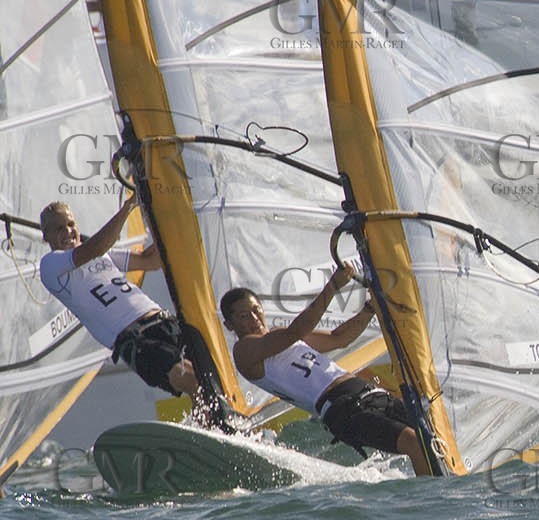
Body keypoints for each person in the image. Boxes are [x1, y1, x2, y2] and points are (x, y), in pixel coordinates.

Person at [221, 263, 429, 475]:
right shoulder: (244, 351)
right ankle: (431, 501)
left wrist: (370, 308)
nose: (254, 319)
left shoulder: (281, 335)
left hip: (368, 393)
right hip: (342, 410)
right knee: (413, 441)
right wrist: (332, 287)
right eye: (244, 316)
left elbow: (340, 339)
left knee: (431, 435)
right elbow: (297, 331)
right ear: (229, 325)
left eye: (256, 310)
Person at [38, 198, 225, 423]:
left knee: (213, 377)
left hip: (163, 321)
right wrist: (128, 207)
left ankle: (224, 427)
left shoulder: (103, 256)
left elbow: (152, 260)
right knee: (192, 380)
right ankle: (211, 434)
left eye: (71, 224)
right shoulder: (51, 265)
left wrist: (166, 219)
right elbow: (96, 247)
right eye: (59, 228)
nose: (68, 231)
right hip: (135, 339)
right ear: (46, 236)